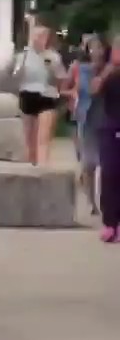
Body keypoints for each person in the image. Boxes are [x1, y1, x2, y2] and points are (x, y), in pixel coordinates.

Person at [65, 35, 107, 215]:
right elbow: (65, 87)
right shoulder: (78, 68)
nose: (96, 51)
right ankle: (91, 202)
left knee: (106, 164)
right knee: (89, 163)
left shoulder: (110, 69)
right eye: (92, 47)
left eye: (99, 47)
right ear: (87, 50)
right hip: (86, 118)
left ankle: (106, 201)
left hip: (106, 118)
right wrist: (72, 95)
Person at [14, 24, 68, 165]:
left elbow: (61, 79)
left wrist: (52, 69)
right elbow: (16, 76)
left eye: (42, 36)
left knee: (43, 138)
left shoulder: (53, 57)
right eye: (36, 36)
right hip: (27, 95)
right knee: (29, 140)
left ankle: (42, 170)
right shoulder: (23, 56)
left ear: (47, 39)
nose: (38, 39)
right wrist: (19, 70)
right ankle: (32, 166)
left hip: (47, 96)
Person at [90, 39, 120, 241]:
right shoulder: (108, 73)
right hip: (111, 126)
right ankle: (110, 223)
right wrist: (110, 67)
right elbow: (94, 90)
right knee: (110, 174)